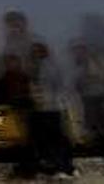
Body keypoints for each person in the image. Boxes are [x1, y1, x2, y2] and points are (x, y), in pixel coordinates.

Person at [28, 42, 76, 177]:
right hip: (41, 109)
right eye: (34, 52)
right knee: (49, 139)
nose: (36, 54)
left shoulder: (50, 66)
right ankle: (57, 166)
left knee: (57, 138)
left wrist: (58, 101)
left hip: (53, 108)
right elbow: (34, 87)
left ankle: (65, 167)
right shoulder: (34, 67)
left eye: (38, 51)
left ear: (44, 52)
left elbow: (59, 85)